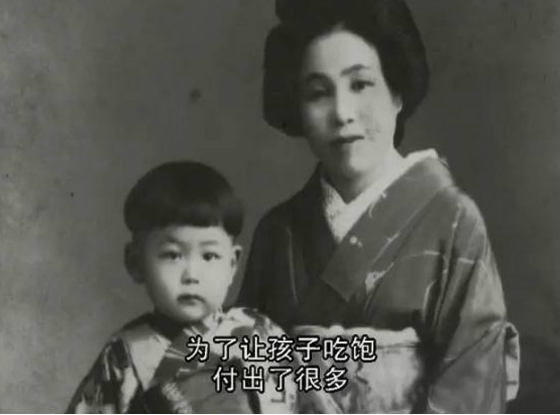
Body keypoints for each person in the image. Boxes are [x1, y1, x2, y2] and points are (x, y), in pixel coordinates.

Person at [238, 0, 520, 412]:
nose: (342, 113)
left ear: (397, 92)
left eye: (361, 84)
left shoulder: (454, 222)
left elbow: (472, 381)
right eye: (318, 93)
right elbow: (241, 376)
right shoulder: (277, 232)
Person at [67, 161, 298, 413]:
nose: (191, 275)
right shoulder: (124, 353)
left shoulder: (259, 334)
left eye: (209, 256)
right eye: (172, 255)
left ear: (232, 264)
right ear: (135, 262)